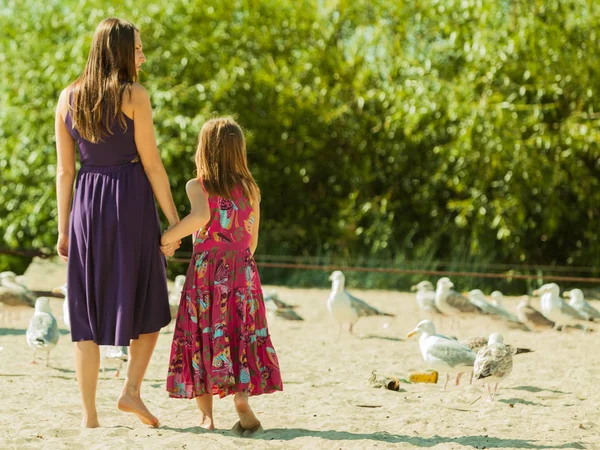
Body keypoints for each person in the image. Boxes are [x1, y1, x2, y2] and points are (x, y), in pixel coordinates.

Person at [54, 18, 180, 428]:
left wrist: (63, 228)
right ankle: (130, 391)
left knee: (85, 310)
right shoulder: (134, 96)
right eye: (138, 49)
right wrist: (174, 221)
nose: (142, 56)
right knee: (147, 297)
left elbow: (64, 173)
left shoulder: (66, 98)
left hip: (87, 206)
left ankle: (89, 417)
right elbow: (153, 164)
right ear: (121, 53)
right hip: (130, 200)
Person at [162, 118, 283, 435]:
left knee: (201, 336)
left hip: (206, 272)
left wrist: (164, 239)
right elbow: (252, 242)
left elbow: (200, 217)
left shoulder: (197, 186)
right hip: (242, 271)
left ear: (205, 150)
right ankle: (241, 397)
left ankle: (207, 418)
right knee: (239, 335)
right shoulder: (250, 189)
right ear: (238, 151)